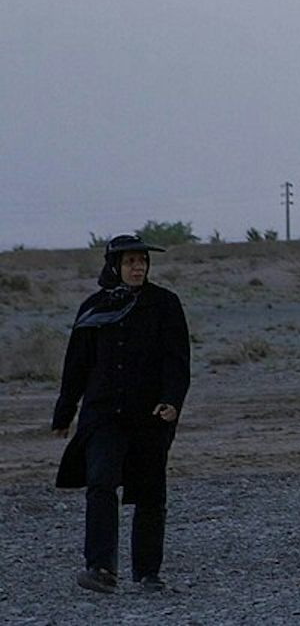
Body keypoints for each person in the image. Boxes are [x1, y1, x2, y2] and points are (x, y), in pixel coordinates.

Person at [52, 232, 192, 595]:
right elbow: (76, 365)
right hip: (103, 415)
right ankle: (100, 568)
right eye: (130, 261)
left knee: (150, 493)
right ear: (114, 265)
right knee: (100, 483)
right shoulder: (94, 308)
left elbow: (177, 362)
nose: (138, 267)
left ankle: (148, 573)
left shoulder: (164, 305)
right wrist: (64, 412)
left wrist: (171, 401)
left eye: (142, 261)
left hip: (150, 416)